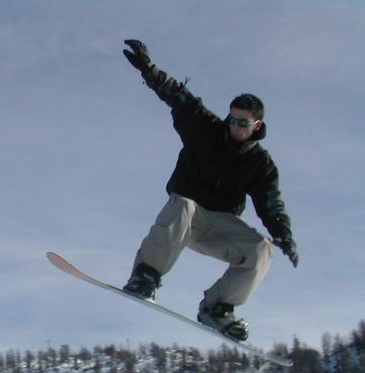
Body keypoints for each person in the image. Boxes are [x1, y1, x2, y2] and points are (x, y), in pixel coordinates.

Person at [121, 39, 298, 341]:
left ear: (256, 126)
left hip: (220, 225)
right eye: (232, 119)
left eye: (243, 122)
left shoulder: (260, 163)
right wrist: (149, 69)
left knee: (261, 250)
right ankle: (146, 276)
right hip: (185, 218)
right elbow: (179, 98)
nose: (235, 126)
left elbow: (270, 201)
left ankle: (217, 308)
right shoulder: (206, 128)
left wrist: (283, 233)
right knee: (185, 205)